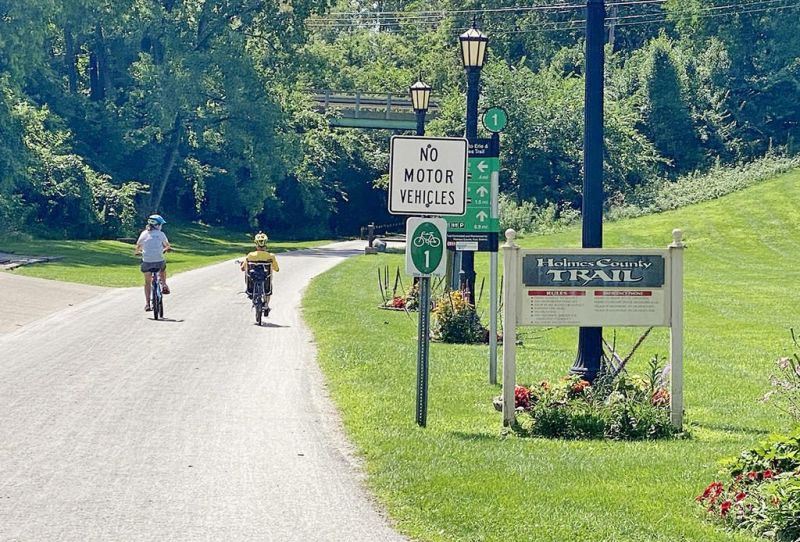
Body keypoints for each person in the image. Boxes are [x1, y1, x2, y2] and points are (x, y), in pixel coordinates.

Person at [134, 214, 172, 311]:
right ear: (157, 225)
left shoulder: (144, 234)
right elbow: (167, 246)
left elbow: (138, 246)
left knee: (147, 282)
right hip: (159, 260)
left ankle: (147, 304)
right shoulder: (161, 234)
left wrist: (138, 252)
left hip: (147, 261)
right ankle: (164, 284)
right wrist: (166, 249)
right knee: (162, 269)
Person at [240, 232, 280, 314]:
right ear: (266, 244)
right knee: (269, 289)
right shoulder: (270, 256)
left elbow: (243, 268)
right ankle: (266, 305)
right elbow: (277, 269)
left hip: (252, 279)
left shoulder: (250, 255)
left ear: (256, 244)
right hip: (266, 280)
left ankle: (250, 292)